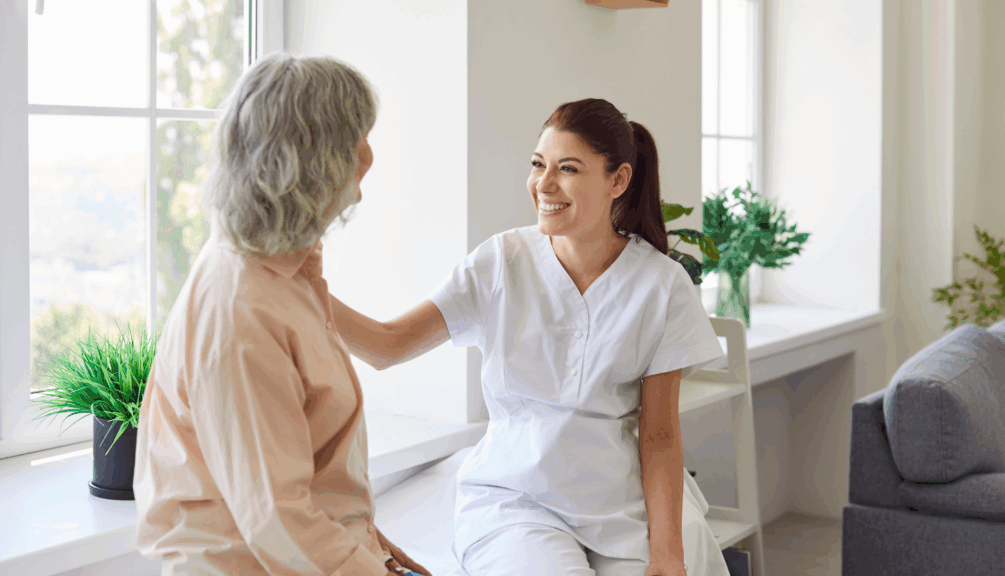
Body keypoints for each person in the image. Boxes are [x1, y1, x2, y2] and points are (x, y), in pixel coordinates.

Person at [330, 98, 730, 576]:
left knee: (687, 558)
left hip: (622, 498)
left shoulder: (662, 284)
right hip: (517, 500)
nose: (544, 184)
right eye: (538, 164)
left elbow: (660, 433)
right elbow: (388, 345)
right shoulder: (501, 260)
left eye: (568, 169)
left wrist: (668, 554)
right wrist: (301, 282)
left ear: (618, 180)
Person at [133, 52, 431, 576]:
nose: (369, 156)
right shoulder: (239, 312)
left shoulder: (287, 271)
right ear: (314, 158)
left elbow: (311, 475)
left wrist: (376, 550)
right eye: (355, 138)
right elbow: (278, 518)